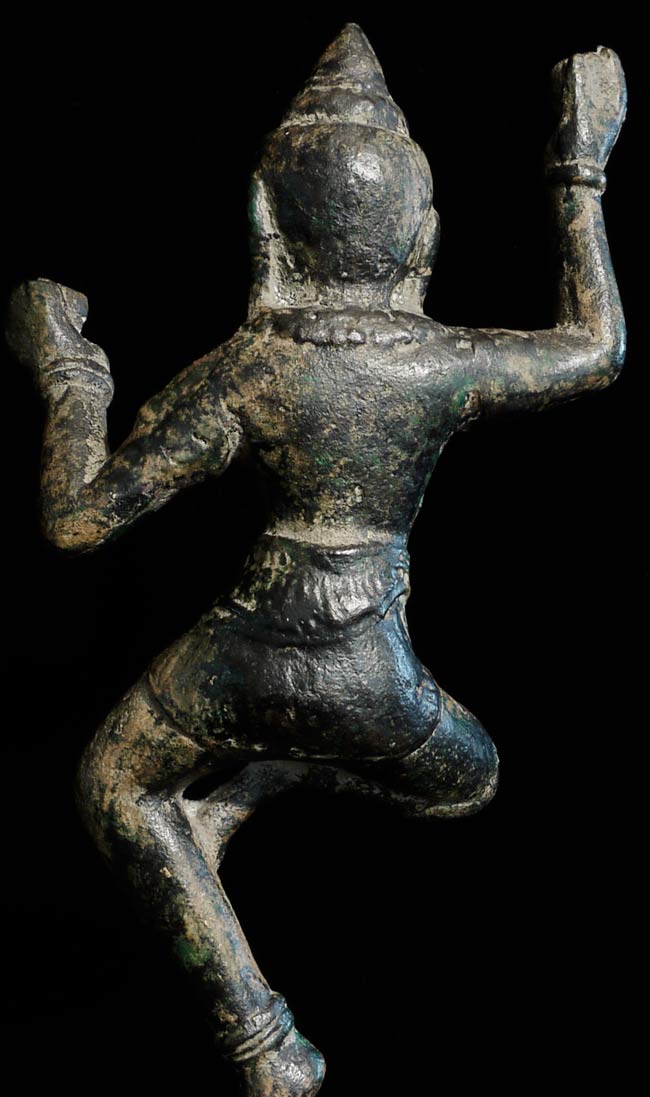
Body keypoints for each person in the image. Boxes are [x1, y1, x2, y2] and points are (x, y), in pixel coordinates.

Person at [6, 24, 626, 1097]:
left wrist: (71, 374)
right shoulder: (440, 361)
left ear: (264, 224)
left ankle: (264, 1035)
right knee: (468, 783)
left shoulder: (249, 366)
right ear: (422, 237)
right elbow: (596, 347)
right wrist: (579, 164)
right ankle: (256, 795)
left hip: (243, 650)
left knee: (115, 786)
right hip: (373, 667)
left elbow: (77, 521)